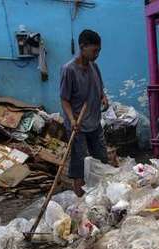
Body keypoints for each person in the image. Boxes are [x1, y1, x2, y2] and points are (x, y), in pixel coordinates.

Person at [59, 29, 109, 197]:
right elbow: (64, 99)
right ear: (82, 47)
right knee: (79, 165)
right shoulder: (69, 70)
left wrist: (103, 97)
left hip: (94, 122)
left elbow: (99, 88)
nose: (97, 55)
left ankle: (101, 196)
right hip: (77, 126)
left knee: (101, 159)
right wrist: (72, 119)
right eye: (95, 51)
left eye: (99, 51)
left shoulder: (94, 67)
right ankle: (80, 201)